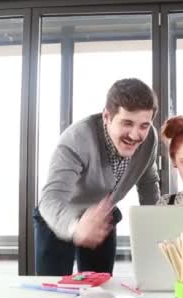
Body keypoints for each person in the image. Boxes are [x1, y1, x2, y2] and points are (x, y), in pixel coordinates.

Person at [34, 78, 160, 276]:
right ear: (107, 117)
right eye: (127, 123)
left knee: (99, 291)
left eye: (143, 125)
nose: (136, 135)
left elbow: (148, 181)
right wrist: (76, 228)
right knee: (53, 291)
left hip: (102, 217)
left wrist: (156, 223)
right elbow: (50, 199)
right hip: (60, 217)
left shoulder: (150, 137)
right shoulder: (77, 139)